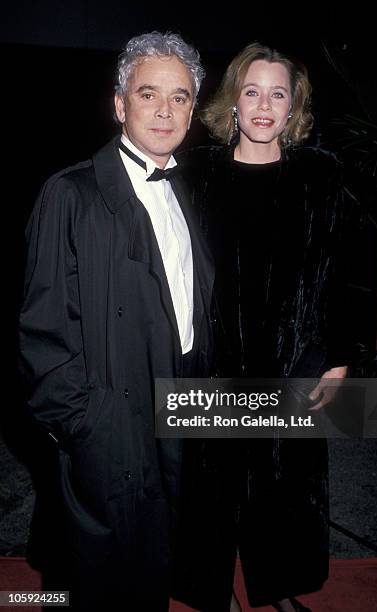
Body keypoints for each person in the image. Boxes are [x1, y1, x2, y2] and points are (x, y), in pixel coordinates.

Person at [19, 31, 214, 611]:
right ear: (119, 104)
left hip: (177, 411)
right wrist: (86, 426)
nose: (164, 109)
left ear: (193, 110)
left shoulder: (188, 192)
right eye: (148, 92)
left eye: (179, 97)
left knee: (157, 568)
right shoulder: (70, 194)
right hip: (111, 427)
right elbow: (41, 336)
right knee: (106, 584)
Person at [172, 43, 354, 612]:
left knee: (285, 487)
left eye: (279, 93)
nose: (264, 105)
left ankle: (278, 589)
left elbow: (338, 273)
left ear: (293, 105)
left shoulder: (320, 177)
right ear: (233, 100)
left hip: (290, 358)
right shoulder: (194, 176)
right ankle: (213, 589)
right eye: (252, 91)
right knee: (209, 488)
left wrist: (336, 357)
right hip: (210, 360)